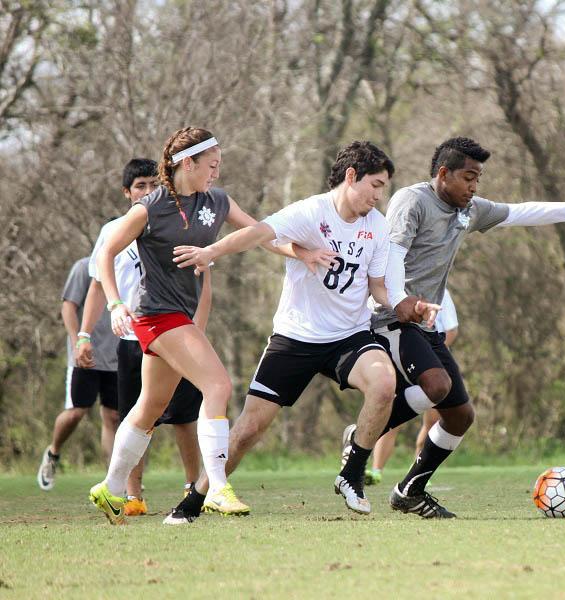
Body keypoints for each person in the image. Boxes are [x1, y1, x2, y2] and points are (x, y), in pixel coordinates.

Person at [168, 141, 439, 524]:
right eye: (375, 185)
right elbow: (259, 233)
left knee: (384, 383)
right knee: (248, 430)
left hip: (349, 335)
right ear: (351, 176)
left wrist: (405, 306)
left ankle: (351, 473)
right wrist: (211, 253)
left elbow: (378, 287)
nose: (380, 196)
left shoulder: (376, 226)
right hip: (296, 338)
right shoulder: (311, 212)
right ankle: (194, 499)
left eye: (384, 187)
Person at [362, 136, 565, 518]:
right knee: (436, 386)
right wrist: (402, 301)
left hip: (425, 324)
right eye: (469, 178)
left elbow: (521, 213)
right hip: (392, 316)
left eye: (478, 179)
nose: (474, 187)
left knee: (461, 415)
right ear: (444, 174)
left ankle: (410, 490)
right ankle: (362, 435)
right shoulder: (412, 200)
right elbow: (392, 258)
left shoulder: (468, 211)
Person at [88, 127, 280, 525]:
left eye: (219, 166)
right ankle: (218, 488)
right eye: (211, 165)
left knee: (149, 408)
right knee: (218, 385)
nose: (216, 172)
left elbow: (260, 231)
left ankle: (110, 487)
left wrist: (300, 250)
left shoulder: (217, 201)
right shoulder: (149, 207)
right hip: (155, 314)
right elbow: (106, 251)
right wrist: (114, 303)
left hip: (178, 316)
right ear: (186, 163)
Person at [76, 158, 206, 516]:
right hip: (132, 338)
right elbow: (97, 287)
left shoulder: (173, 223)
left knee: (184, 416)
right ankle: (132, 494)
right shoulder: (112, 232)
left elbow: (202, 277)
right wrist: (84, 334)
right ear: (126, 193)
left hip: (174, 331)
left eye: (153, 185)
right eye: (140, 187)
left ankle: (194, 488)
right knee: (137, 414)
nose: (147, 192)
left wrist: (197, 324)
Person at [37, 257, 120, 490]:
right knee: (76, 412)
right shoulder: (85, 267)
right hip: (86, 355)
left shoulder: (131, 265)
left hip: (116, 356)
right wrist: (76, 342)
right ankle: (53, 453)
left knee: (113, 417)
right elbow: (68, 307)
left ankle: (114, 480)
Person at [366, 288, 458, 485]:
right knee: (392, 416)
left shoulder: (442, 294)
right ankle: (375, 470)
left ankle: (416, 470)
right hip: (407, 353)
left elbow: (451, 330)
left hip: (434, 363)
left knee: (431, 422)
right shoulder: (396, 290)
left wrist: (434, 354)